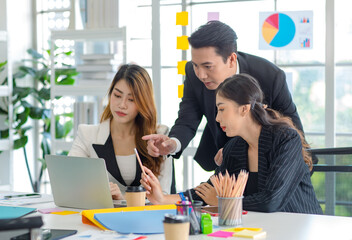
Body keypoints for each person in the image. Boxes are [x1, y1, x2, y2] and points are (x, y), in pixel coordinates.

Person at [140, 74, 322, 214]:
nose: (217, 118)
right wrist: (164, 198)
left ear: (244, 109)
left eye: (222, 109)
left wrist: (221, 201)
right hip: (261, 229)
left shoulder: (286, 139)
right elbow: (209, 190)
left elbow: (271, 200)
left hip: (300, 226)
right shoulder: (235, 147)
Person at [142, 21, 304, 171]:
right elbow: (187, 119)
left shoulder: (270, 77)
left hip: (269, 165)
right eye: (195, 65)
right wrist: (172, 144)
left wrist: (237, 149)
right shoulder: (193, 73)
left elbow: (293, 132)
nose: (201, 75)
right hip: (221, 161)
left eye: (208, 66)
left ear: (232, 59)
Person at [68, 64, 172, 200]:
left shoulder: (158, 137)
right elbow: (69, 183)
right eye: (117, 95)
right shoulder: (87, 134)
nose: (122, 105)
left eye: (131, 99)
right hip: (99, 217)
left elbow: (163, 196)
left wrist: (122, 198)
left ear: (143, 103)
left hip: (148, 218)